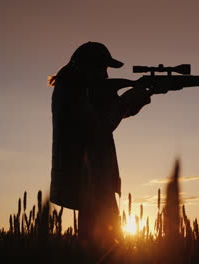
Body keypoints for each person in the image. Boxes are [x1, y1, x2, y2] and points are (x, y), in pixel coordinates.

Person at [48, 42, 151, 252]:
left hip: (95, 177)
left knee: (103, 242)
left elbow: (112, 112)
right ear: (85, 66)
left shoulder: (79, 89)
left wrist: (138, 100)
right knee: (101, 244)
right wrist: (128, 98)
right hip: (88, 179)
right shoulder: (70, 91)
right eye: (102, 68)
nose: (105, 76)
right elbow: (100, 127)